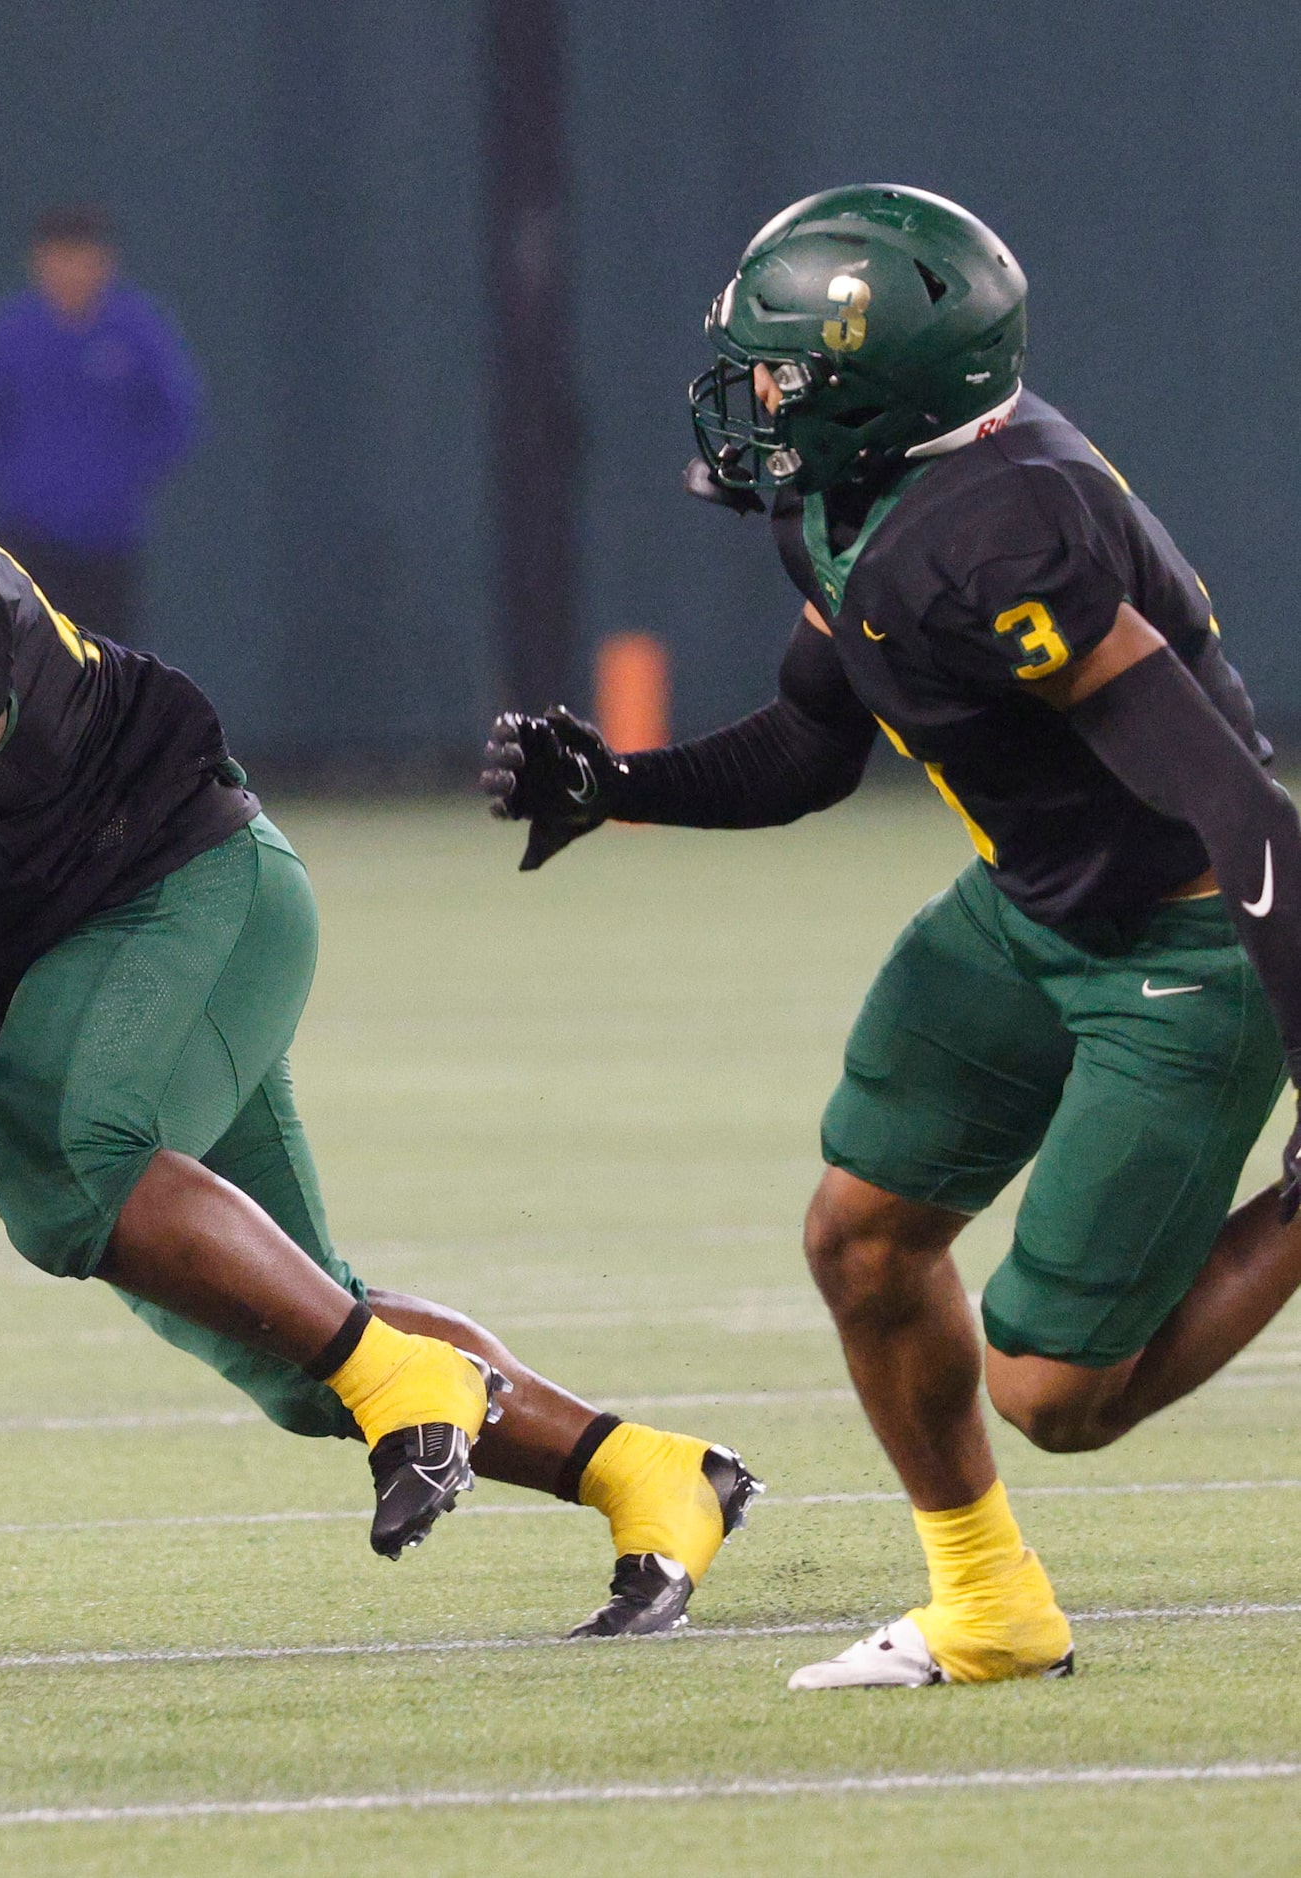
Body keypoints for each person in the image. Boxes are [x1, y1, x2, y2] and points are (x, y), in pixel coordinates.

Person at [0, 294, 760, 1639]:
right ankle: (650, 1472)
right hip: (42, 964)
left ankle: (399, 1384)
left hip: (173, 898)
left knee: (63, 1168)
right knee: (304, 1344)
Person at [482, 184, 1301, 1690]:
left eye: (784, 370)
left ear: (883, 389)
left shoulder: (1003, 533)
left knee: (1057, 1388)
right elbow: (810, 745)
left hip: (1175, 940)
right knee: (859, 1238)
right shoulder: (852, 498)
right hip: (1028, 904)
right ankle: (989, 1608)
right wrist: (622, 787)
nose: (755, 397)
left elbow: (1226, 796)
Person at [0, 205, 200, 645]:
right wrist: (18, 484)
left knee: (107, 667)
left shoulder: (137, 331)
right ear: (39, 262)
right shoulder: (12, 335)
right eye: (59, 257)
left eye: (82, 257)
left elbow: (173, 416)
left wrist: (122, 479)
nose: (71, 270)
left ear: (105, 261)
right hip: (25, 543)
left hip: (109, 544)